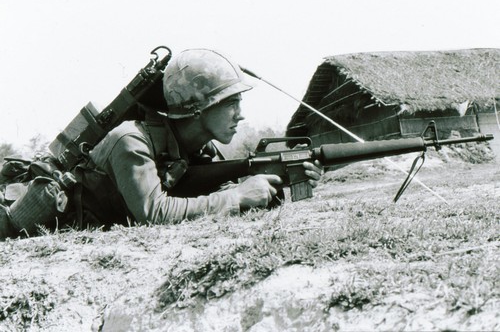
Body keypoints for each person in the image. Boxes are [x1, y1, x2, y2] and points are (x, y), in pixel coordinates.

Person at [3, 49, 323, 235]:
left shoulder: (199, 150)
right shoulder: (129, 141)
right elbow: (155, 213)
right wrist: (239, 196)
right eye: (230, 103)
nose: (240, 115)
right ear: (198, 107)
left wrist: (277, 183)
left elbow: (216, 196)